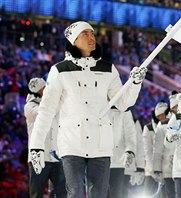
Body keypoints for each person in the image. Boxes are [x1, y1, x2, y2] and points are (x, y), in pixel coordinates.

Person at [28, 21, 147, 198]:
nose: (92, 38)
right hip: (71, 143)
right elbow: (46, 111)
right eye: (85, 34)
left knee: (98, 194)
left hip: (101, 144)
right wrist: (36, 147)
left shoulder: (108, 69)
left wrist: (135, 84)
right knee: (74, 192)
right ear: (74, 40)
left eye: (92, 34)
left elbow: (123, 104)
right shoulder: (59, 70)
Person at [24, 77, 66, 198]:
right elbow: (46, 112)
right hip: (38, 156)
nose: (47, 89)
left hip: (56, 156)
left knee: (61, 193)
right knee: (36, 193)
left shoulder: (53, 103)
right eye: (44, 88)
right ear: (38, 91)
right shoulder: (30, 107)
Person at [152, 91, 181, 198]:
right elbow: (158, 149)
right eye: (175, 106)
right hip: (169, 167)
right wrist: (157, 169)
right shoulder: (162, 125)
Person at [108, 109, 137, 198]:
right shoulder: (99, 104)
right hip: (97, 158)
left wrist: (130, 150)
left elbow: (130, 133)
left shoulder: (125, 110)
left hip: (117, 161)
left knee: (116, 194)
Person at [142, 101, 169, 196]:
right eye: (159, 115)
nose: (162, 117)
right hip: (151, 171)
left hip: (167, 170)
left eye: (164, 114)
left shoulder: (171, 127)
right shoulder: (149, 128)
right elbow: (148, 151)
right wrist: (154, 170)